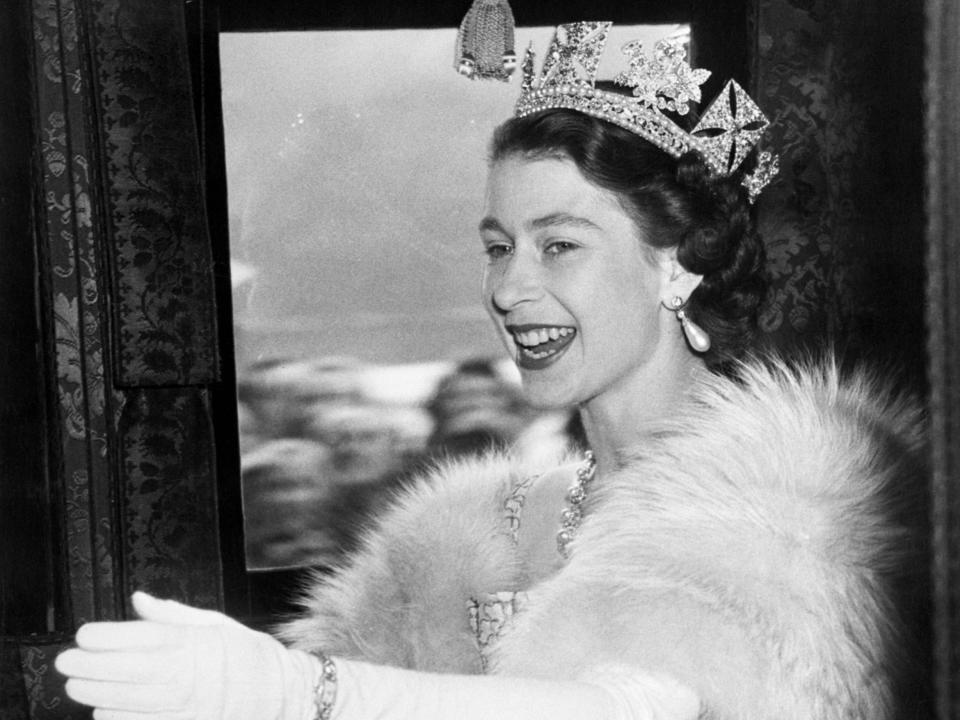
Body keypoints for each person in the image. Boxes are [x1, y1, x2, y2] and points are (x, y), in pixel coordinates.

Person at [55, 23, 925, 720]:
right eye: (499, 247)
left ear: (678, 265)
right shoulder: (473, 532)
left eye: (560, 245)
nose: (510, 288)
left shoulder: (810, 501)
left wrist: (295, 697)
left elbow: (642, 705)